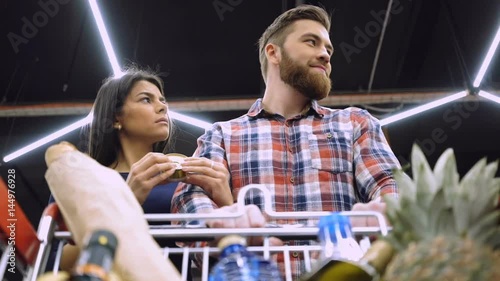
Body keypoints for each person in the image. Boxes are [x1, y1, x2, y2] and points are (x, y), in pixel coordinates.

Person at [171, 4, 400, 279]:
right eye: (311, 42)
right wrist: (222, 231)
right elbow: (189, 200)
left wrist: (386, 212)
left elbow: (390, 185)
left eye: (329, 49)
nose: (325, 55)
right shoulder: (221, 135)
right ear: (273, 52)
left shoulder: (354, 124)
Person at [47, 66, 233, 279]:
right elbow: (55, 260)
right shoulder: (84, 180)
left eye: (162, 100)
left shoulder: (182, 171)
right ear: (116, 118)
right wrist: (128, 198)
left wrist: (225, 201)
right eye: (146, 99)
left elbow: (214, 250)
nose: (162, 107)